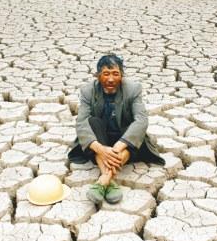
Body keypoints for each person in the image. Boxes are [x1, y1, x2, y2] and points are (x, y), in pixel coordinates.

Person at [68, 54, 165, 205]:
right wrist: (100, 148)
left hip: (125, 140)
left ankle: (104, 180)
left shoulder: (133, 89)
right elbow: (81, 122)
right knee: (92, 122)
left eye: (115, 74)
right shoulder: (88, 91)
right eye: (106, 74)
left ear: (122, 75)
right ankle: (110, 181)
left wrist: (117, 147)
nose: (111, 79)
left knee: (134, 132)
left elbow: (141, 120)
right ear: (98, 76)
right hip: (101, 137)